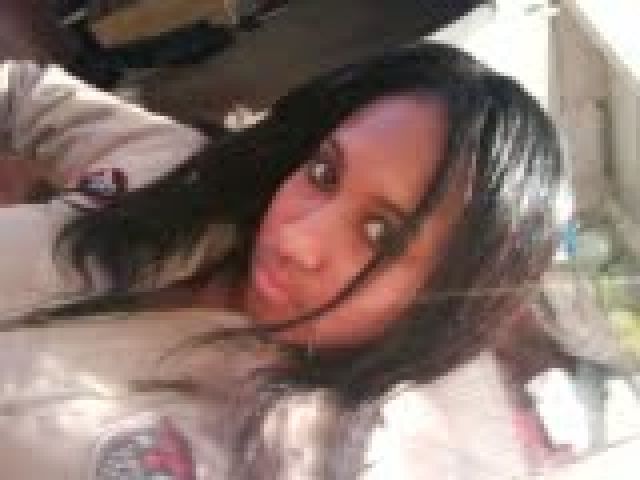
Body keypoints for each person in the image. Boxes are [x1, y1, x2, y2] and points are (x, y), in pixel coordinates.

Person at [0, 42, 563, 479]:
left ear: (438, 313)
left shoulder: (258, 454)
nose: (296, 239)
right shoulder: (183, 182)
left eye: (381, 236)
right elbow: (25, 93)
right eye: (324, 173)